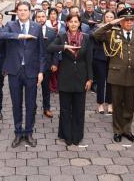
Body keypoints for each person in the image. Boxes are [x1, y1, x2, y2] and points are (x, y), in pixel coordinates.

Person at [94, 7, 134, 143]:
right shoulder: (112, 33)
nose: (129, 23)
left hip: (133, 75)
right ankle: (117, 130)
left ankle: (127, 130)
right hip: (117, 75)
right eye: (125, 20)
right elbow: (96, 35)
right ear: (121, 21)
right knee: (117, 104)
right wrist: (111, 23)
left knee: (129, 104)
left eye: (131, 20)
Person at [0, 1, 45, 148]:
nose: (23, 12)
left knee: (30, 104)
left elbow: (41, 52)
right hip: (15, 71)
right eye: (20, 10)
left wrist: (41, 71)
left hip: (31, 71)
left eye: (25, 10)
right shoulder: (10, 26)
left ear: (30, 12)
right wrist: (20, 36)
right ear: (16, 12)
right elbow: (1, 35)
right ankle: (18, 132)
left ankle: (29, 132)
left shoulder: (37, 27)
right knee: (16, 103)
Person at [47, 13, 93, 146]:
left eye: (76, 22)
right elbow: (49, 48)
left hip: (81, 77)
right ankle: (66, 135)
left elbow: (89, 60)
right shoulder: (62, 37)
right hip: (65, 78)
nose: (73, 24)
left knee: (79, 109)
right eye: (71, 22)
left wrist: (90, 79)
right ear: (67, 23)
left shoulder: (86, 37)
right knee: (65, 109)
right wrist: (64, 47)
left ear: (80, 24)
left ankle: (77, 135)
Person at [35, 10, 58, 118]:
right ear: (35, 18)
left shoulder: (52, 31)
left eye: (43, 16)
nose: (40, 19)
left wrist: (55, 63)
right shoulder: (31, 31)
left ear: (46, 18)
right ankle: (32, 107)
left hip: (48, 64)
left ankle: (46, 108)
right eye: (38, 17)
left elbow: (55, 49)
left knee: (46, 88)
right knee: (32, 88)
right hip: (34, 65)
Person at [92, 10, 115, 114]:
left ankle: (110, 104)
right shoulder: (98, 27)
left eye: (111, 17)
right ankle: (100, 104)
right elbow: (96, 37)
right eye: (107, 17)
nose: (109, 19)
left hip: (113, 58)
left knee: (110, 82)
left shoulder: (117, 29)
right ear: (104, 18)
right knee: (101, 82)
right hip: (100, 58)